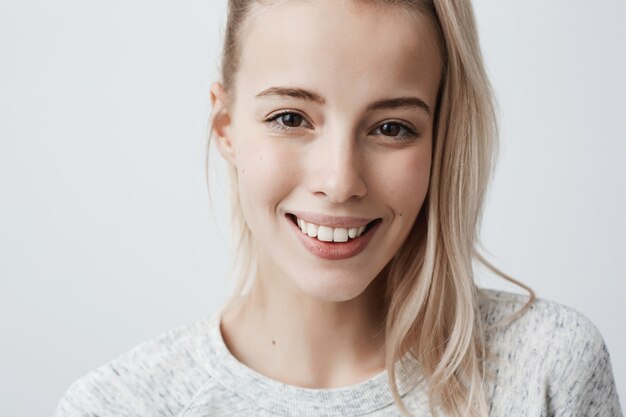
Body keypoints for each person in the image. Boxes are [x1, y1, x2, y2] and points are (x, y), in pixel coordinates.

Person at [54, 0, 623, 416]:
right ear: (225, 127)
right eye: (290, 118)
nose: (340, 181)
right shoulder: (116, 406)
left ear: (442, 140)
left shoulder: (544, 369)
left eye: (392, 128)